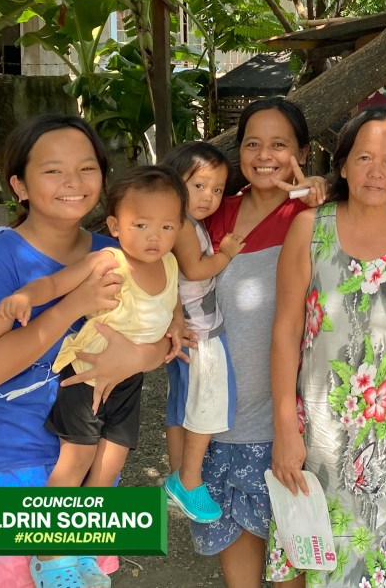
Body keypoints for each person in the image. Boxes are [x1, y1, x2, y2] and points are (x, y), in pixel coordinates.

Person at [0, 115, 171, 587]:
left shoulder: (127, 248)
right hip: (8, 462)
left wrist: (138, 358)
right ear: (19, 185)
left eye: (87, 168)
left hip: (91, 463)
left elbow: (166, 334)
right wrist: (73, 304)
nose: (73, 182)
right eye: (53, 171)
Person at [266, 107, 386, 587]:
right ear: (344, 165)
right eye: (364, 157)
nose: (376, 171)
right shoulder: (310, 229)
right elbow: (286, 331)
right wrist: (285, 428)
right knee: (315, 555)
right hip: (321, 435)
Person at [188, 98, 326, 587]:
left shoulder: (317, 217)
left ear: (302, 153)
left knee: (296, 569)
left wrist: (322, 199)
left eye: (279, 144)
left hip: (289, 427)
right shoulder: (211, 214)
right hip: (218, 425)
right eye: (252, 144)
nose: (264, 155)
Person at [160, 142, 244, 523]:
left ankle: (176, 477)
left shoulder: (175, 222)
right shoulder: (181, 225)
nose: (209, 196)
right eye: (199, 186)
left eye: (217, 189)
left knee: (181, 404)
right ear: (174, 183)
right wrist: (225, 255)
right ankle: (189, 480)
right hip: (202, 333)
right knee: (208, 403)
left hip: (186, 331)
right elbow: (194, 270)